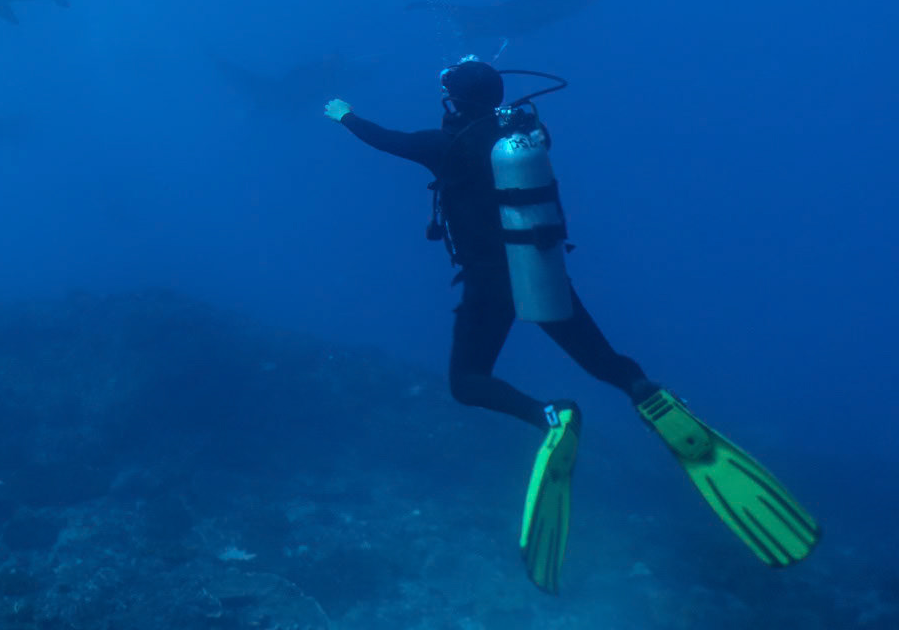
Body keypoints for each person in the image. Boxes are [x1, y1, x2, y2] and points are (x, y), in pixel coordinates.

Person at [324, 58, 818, 592]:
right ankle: (640, 389)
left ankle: (549, 416)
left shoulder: (446, 146)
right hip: (542, 269)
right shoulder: (523, 134)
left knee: (467, 383)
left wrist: (343, 114)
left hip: (492, 284)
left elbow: (384, 138)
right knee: (604, 361)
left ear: (455, 102)